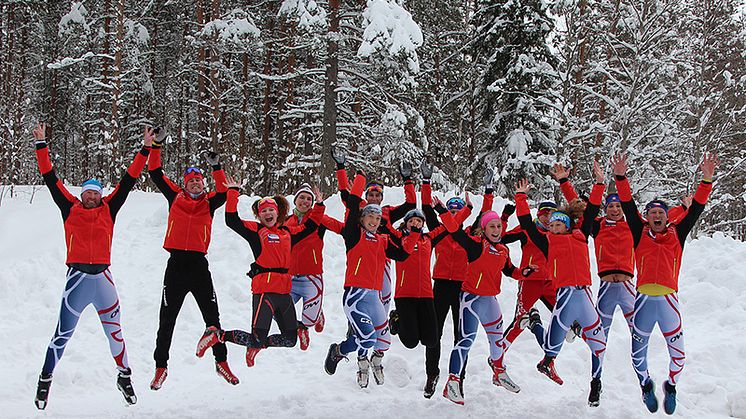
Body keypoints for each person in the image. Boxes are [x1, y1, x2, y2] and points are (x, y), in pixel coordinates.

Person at [32, 122, 151, 409]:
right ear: (82, 195)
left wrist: (146, 149)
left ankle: (124, 377)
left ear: (100, 195)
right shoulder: (69, 208)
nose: (92, 196)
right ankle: (45, 381)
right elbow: (50, 177)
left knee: (116, 334)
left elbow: (128, 180)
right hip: (77, 281)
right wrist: (41, 145)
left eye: (96, 192)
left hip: (103, 282)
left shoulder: (109, 208)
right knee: (62, 334)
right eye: (88, 193)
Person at [612, 152, 718, 414]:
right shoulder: (639, 232)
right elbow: (627, 203)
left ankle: (671, 386)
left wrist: (706, 180)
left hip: (669, 302)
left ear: (666, 217)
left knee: (679, 357)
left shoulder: (676, 234)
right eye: (652, 213)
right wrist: (620, 177)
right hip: (644, 302)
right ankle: (646, 384)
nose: (657, 216)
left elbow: (695, 210)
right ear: (647, 217)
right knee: (637, 357)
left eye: (661, 212)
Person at [195, 179, 325, 366]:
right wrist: (233, 193)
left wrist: (319, 205)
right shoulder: (256, 231)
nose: (267, 213)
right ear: (259, 216)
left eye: (271, 209)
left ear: (277, 212)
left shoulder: (288, 232)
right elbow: (231, 220)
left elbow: (311, 226)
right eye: (263, 211)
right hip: (265, 291)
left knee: (290, 340)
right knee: (256, 338)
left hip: (284, 292)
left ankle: (273, 338)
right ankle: (218, 334)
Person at [147, 128, 238, 390]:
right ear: (184, 184)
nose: (195, 183)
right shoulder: (174, 196)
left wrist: (217, 167)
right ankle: (160, 367)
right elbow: (155, 173)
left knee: (213, 318)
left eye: (199, 180)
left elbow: (223, 192)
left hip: (199, 265)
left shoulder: (209, 202)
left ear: (203, 183)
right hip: (176, 265)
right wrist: (156, 145)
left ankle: (221, 362)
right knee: (167, 319)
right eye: (191, 181)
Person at [514, 160, 608, 407]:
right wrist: (521, 198)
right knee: (550, 347)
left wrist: (599, 183)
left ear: (567, 226)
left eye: (559, 224)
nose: (554, 228)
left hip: (584, 296)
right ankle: (535, 326)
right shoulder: (547, 242)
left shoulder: (580, 235)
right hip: (565, 297)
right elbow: (526, 224)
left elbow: (590, 210)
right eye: (552, 225)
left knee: (599, 345)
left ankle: (595, 384)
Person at [324, 171, 418, 388]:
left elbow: (403, 254)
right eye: (370, 217)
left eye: (378, 218)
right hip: (356, 295)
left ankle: (374, 357)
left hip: (375, 296)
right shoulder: (354, 234)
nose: (375, 221)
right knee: (366, 339)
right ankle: (339, 350)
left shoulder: (382, 239)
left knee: (383, 342)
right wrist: (358, 178)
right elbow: (351, 200)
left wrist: (413, 233)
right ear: (362, 218)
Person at [438, 197, 536, 405]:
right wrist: (441, 210)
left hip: (490, 300)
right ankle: (452, 382)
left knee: (497, 340)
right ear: (483, 229)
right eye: (492, 226)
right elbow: (455, 231)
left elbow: (510, 271)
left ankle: (499, 372)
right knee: (465, 341)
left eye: (498, 226)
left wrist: (524, 272)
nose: (496, 229)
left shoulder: (503, 250)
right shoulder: (475, 245)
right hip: (471, 299)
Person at [420, 165, 497, 398]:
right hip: (441, 285)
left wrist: (488, 189)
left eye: (458, 210)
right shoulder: (438, 231)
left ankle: (457, 379)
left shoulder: (470, 236)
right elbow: (426, 208)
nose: (453, 214)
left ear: (462, 214)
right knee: (434, 334)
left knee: (461, 336)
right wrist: (425, 181)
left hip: (463, 289)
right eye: (450, 210)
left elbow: (486, 215)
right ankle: (432, 374)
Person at [551, 164, 635, 341]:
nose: (615, 209)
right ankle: (589, 351)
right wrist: (564, 181)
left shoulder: (632, 227)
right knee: (599, 334)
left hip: (627, 285)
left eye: (618, 206)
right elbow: (580, 208)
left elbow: (661, 219)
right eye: (611, 206)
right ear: (606, 209)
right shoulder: (598, 226)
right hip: (606, 286)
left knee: (638, 330)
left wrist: (684, 207)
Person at [332, 148, 416, 316]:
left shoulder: (387, 212)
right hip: (361, 257)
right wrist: (340, 167)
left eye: (378, 195)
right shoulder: (360, 207)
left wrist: (407, 180)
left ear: (382, 198)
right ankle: (355, 323)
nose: (375, 198)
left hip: (383, 258)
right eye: (372, 194)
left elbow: (411, 205)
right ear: (367, 195)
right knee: (360, 294)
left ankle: (381, 325)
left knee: (383, 296)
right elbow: (344, 194)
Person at [286, 183, 344, 350]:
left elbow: (341, 228)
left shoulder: (319, 219)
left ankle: (314, 317)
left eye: (308, 199)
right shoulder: (286, 220)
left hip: (311, 278)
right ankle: (300, 327)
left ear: (313, 203)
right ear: (295, 200)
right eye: (302, 197)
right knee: (276, 312)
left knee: (311, 321)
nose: (305, 201)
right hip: (290, 278)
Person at [500, 200, 558, 354]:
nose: (547, 218)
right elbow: (500, 237)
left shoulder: (557, 232)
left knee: (564, 317)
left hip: (550, 282)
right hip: (530, 281)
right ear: (538, 214)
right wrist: (504, 217)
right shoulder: (527, 229)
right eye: (544, 214)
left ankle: (536, 325)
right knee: (519, 321)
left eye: (551, 215)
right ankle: (497, 357)